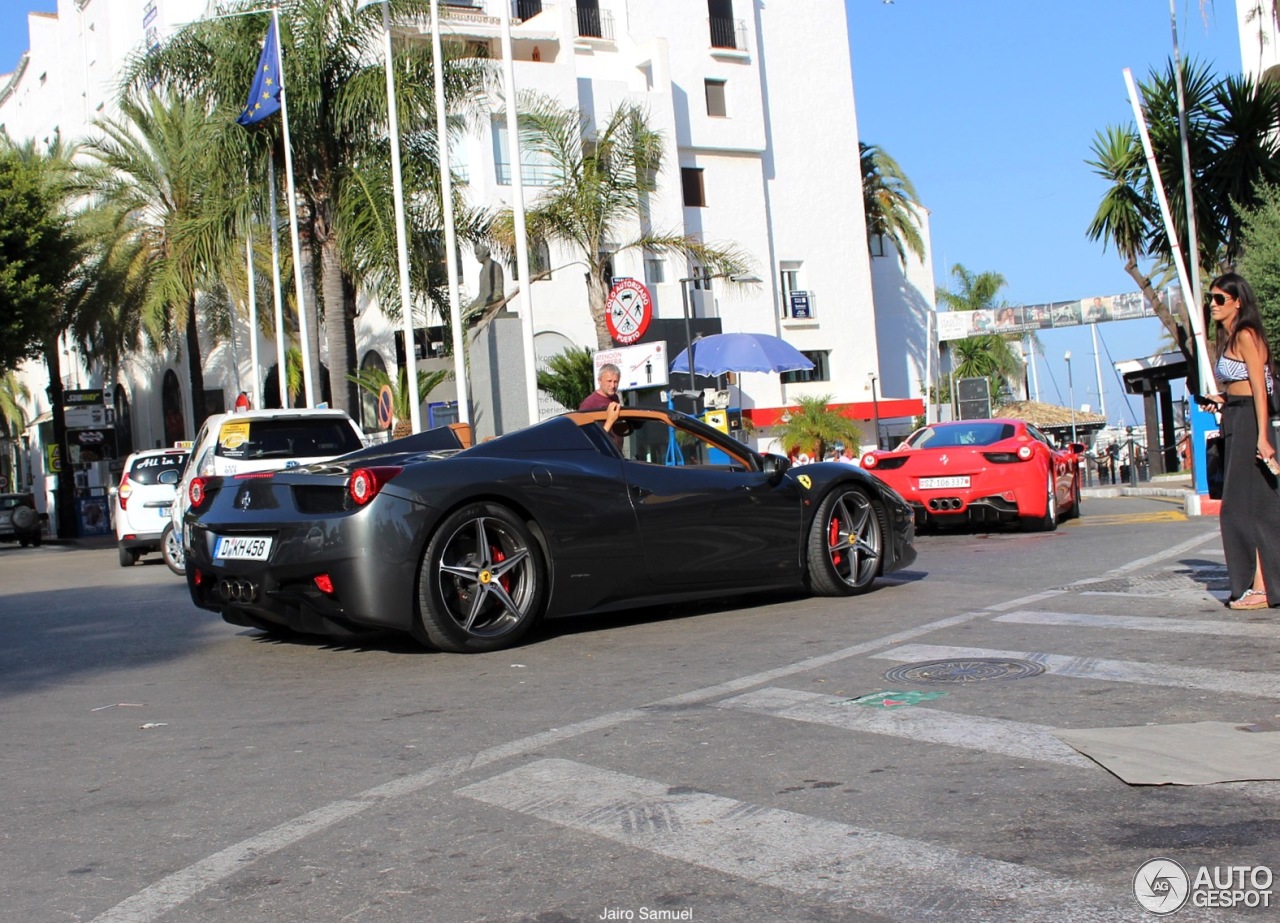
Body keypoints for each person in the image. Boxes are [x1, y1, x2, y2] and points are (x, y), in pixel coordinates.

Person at [1198, 272, 1280, 611]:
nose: (1213, 305)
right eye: (1211, 298)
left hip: (1250, 422)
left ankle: (1260, 586)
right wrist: (1221, 399)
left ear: (1237, 302)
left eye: (1220, 299)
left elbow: (1261, 389)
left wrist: (1262, 436)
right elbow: (1240, 386)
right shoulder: (1227, 337)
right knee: (1243, 505)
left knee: (1247, 507)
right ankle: (1256, 584)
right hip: (1236, 417)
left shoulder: (1247, 334)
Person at [580, 364, 628, 449]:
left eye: (616, 382)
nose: (613, 386)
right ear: (599, 381)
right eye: (609, 381)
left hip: (616, 454)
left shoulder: (615, 398)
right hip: (601, 457)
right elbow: (586, 439)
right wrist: (609, 420)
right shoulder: (589, 404)